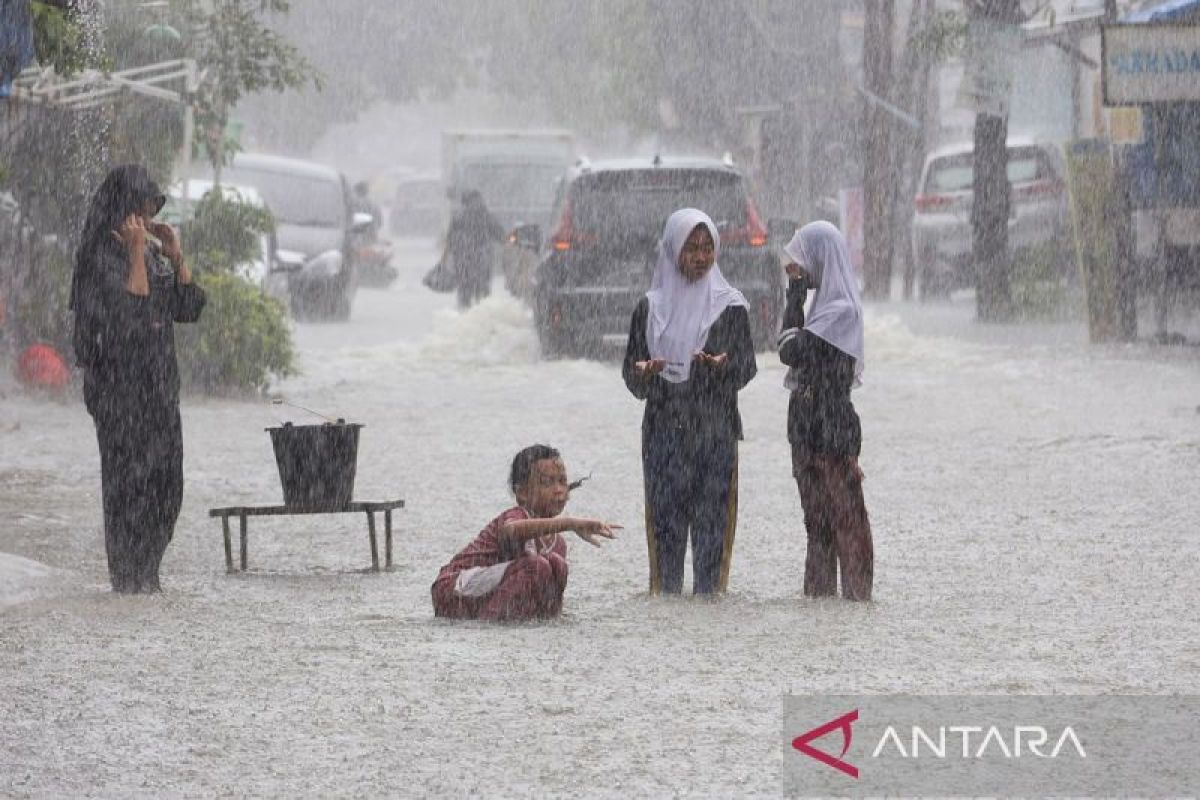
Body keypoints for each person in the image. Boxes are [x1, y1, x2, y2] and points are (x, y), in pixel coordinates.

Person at [70, 164, 206, 594]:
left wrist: (174, 254)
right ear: (124, 210)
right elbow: (129, 318)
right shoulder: (100, 257)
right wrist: (133, 253)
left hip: (159, 391)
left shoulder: (149, 252)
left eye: (152, 212)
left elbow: (187, 308)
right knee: (129, 486)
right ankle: (129, 580)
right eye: (141, 212)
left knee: (168, 483)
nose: (147, 222)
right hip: (119, 395)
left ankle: (149, 572)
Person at [622, 208, 757, 596]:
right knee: (665, 536)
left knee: (712, 536)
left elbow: (747, 368)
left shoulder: (730, 307)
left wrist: (719, 368)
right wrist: (645, 373)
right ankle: (668, 622)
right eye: (691, 248)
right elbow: (632, 377)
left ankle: (707, 623)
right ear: (672, 251)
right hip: (664, 435)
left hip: (715, 435)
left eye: (707, 248)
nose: (700, 257)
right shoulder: (649, 309)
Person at [776, 220, 873, 601]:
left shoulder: (840, 310)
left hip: (831, 430)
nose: (797, 268)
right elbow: (788, 343)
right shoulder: (818, 311)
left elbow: (790, 350)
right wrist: (796, 300)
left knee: (848, 523)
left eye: (803, 258)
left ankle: (857, 602)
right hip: (805, 429)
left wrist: (795, 299)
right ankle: (818, 603)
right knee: (817, 527)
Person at [431, 445, 619, 622]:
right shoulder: (515, 516)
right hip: (454, 590)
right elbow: (512, 531)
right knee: (537, 565)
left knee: (557, 565)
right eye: (547, 483)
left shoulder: (558, 543)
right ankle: (491, 628)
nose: (559, 490)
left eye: (562, 481)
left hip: (486, 591)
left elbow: (549, 595)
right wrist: (570, 523)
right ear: (522, 493)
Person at [443, 189, 504, 309]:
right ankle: (481, 315)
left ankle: (465, 316)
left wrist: (446, 258)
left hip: (463, 260)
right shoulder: (486, 216)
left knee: (464, 292)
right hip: (482, 259)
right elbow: (500, 235)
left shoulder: (458, 217)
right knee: (482, 292)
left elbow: (450, 239)